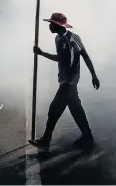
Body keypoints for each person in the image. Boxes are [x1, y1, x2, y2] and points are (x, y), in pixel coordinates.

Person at [29, 13, 100, 150]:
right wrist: (93, 75)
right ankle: (88, 137)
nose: (49, 25)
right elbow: (85, 55)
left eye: (51, 23)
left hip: (68, 81)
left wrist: (41, 53)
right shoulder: (69, 37)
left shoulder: (64, 40)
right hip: (70, 80)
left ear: (57, 25)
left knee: (54, 110)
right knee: (76, 110)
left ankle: (45, 140)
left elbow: (63, 58)